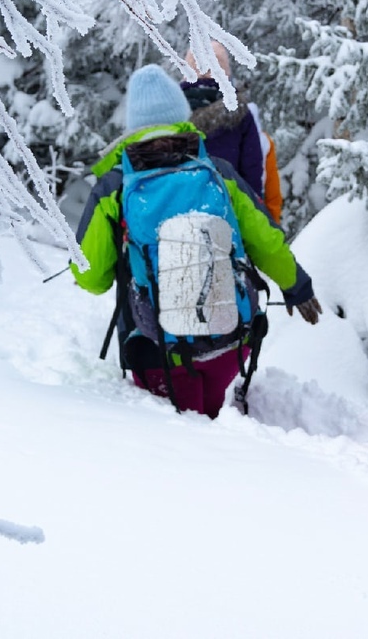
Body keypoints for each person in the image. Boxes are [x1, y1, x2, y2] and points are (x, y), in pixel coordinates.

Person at [71, 64, 321, 417]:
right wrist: (298, 287)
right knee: (214, 421)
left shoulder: (114, 188)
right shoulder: (218, 172)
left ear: (134, 126)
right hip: (231, 340)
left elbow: (90, 278)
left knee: (182, 439)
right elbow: (267, 241)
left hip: (157, 351)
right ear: (182, 116)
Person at [181, 42, 269, 212]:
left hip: (181, 210)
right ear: (225, 73)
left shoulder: (173, 110)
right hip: (229, 208)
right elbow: (252, 170)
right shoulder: (240, 113)